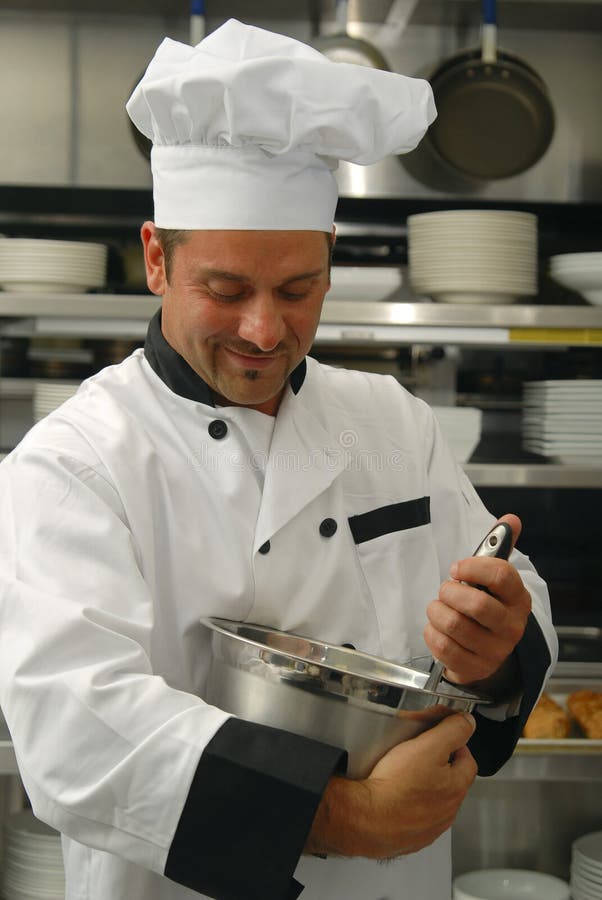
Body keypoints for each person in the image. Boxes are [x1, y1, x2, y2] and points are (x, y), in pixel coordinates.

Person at [0, 18, 557, 900]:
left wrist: (497, 645)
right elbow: (77, 731)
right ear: (156, 259)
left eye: (298, 289)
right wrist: (351, 816)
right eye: (225, 289)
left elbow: (509, 583)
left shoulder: (391, 421)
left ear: (331, 264)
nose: (266, 331)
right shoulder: (76, 462)